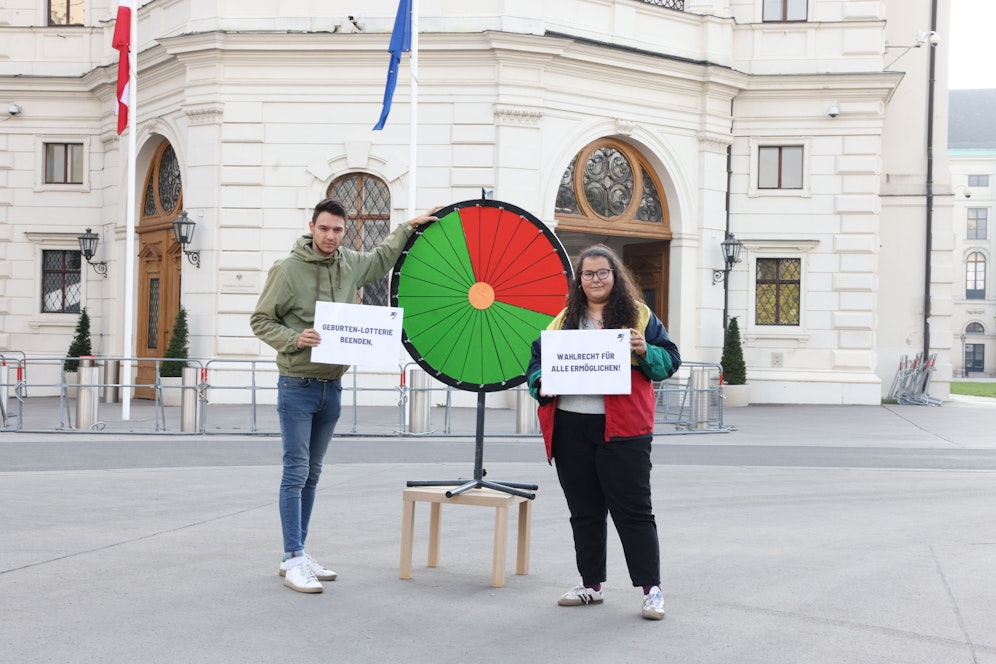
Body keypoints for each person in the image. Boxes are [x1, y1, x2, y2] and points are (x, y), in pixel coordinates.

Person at [250, 197, 438, 593]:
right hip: (296, 385)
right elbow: (260, 320)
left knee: (313, 475)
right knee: (295, 472)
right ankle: (295, 557)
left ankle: (295, 554)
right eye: (324, 229)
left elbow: (383, 257)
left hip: (331, 388)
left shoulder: (351, 263)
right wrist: (293, 337)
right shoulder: (286, 270)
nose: (331, 236)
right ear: (311, 226)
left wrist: (408, 227)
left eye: (337, 230)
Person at [526, 244, 680, 620]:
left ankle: (652, 590)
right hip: (570, 427)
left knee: (634, 511)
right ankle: (591, 585)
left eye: (603, 273)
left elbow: (669, 361)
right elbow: (535, 365)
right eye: (588, 274)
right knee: (584, 511)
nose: (596, 280)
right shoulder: (562, 320)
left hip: (624, 429)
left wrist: (646, 351)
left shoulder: (640, 316)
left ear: (615, 276)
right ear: (579, 281)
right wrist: (540, 381)